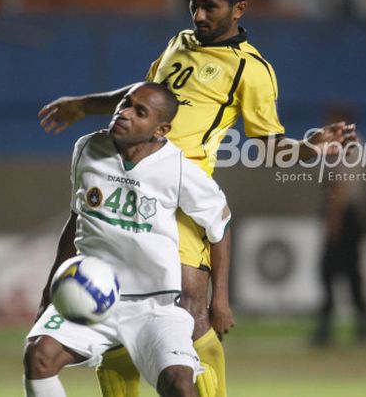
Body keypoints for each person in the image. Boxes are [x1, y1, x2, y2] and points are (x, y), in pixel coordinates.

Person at [38, 0, 356, 397]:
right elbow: (139, 98)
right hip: (126, 182)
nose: (199, 16)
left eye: (210, 7)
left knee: (191, 312)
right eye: (193, 6)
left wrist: (311, 147)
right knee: (113, 304)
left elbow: (267, 146)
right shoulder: (179, 43)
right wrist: (84, 104)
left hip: (180, 196)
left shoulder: (251, 69)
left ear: (239, 8)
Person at [24, 82, 232, 397]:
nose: (124, 113)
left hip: (155, 306)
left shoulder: (178, 170)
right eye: (125, 103)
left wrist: (220, 301)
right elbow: (77, 218)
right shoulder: (87, 148)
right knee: (38, 357)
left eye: (140, 112)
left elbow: (220, 227)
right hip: (91, 296)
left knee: (179, 385)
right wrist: (51, 286)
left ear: (160, 129)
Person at [311, 105, 366, 347]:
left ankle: (326, 328)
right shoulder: (360, 144)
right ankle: (362, 326)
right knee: (352, 273)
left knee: (329, 271)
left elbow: (341, 187)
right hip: (354, 216)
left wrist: (332, 222)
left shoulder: (344, 146)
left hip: (344, 216)